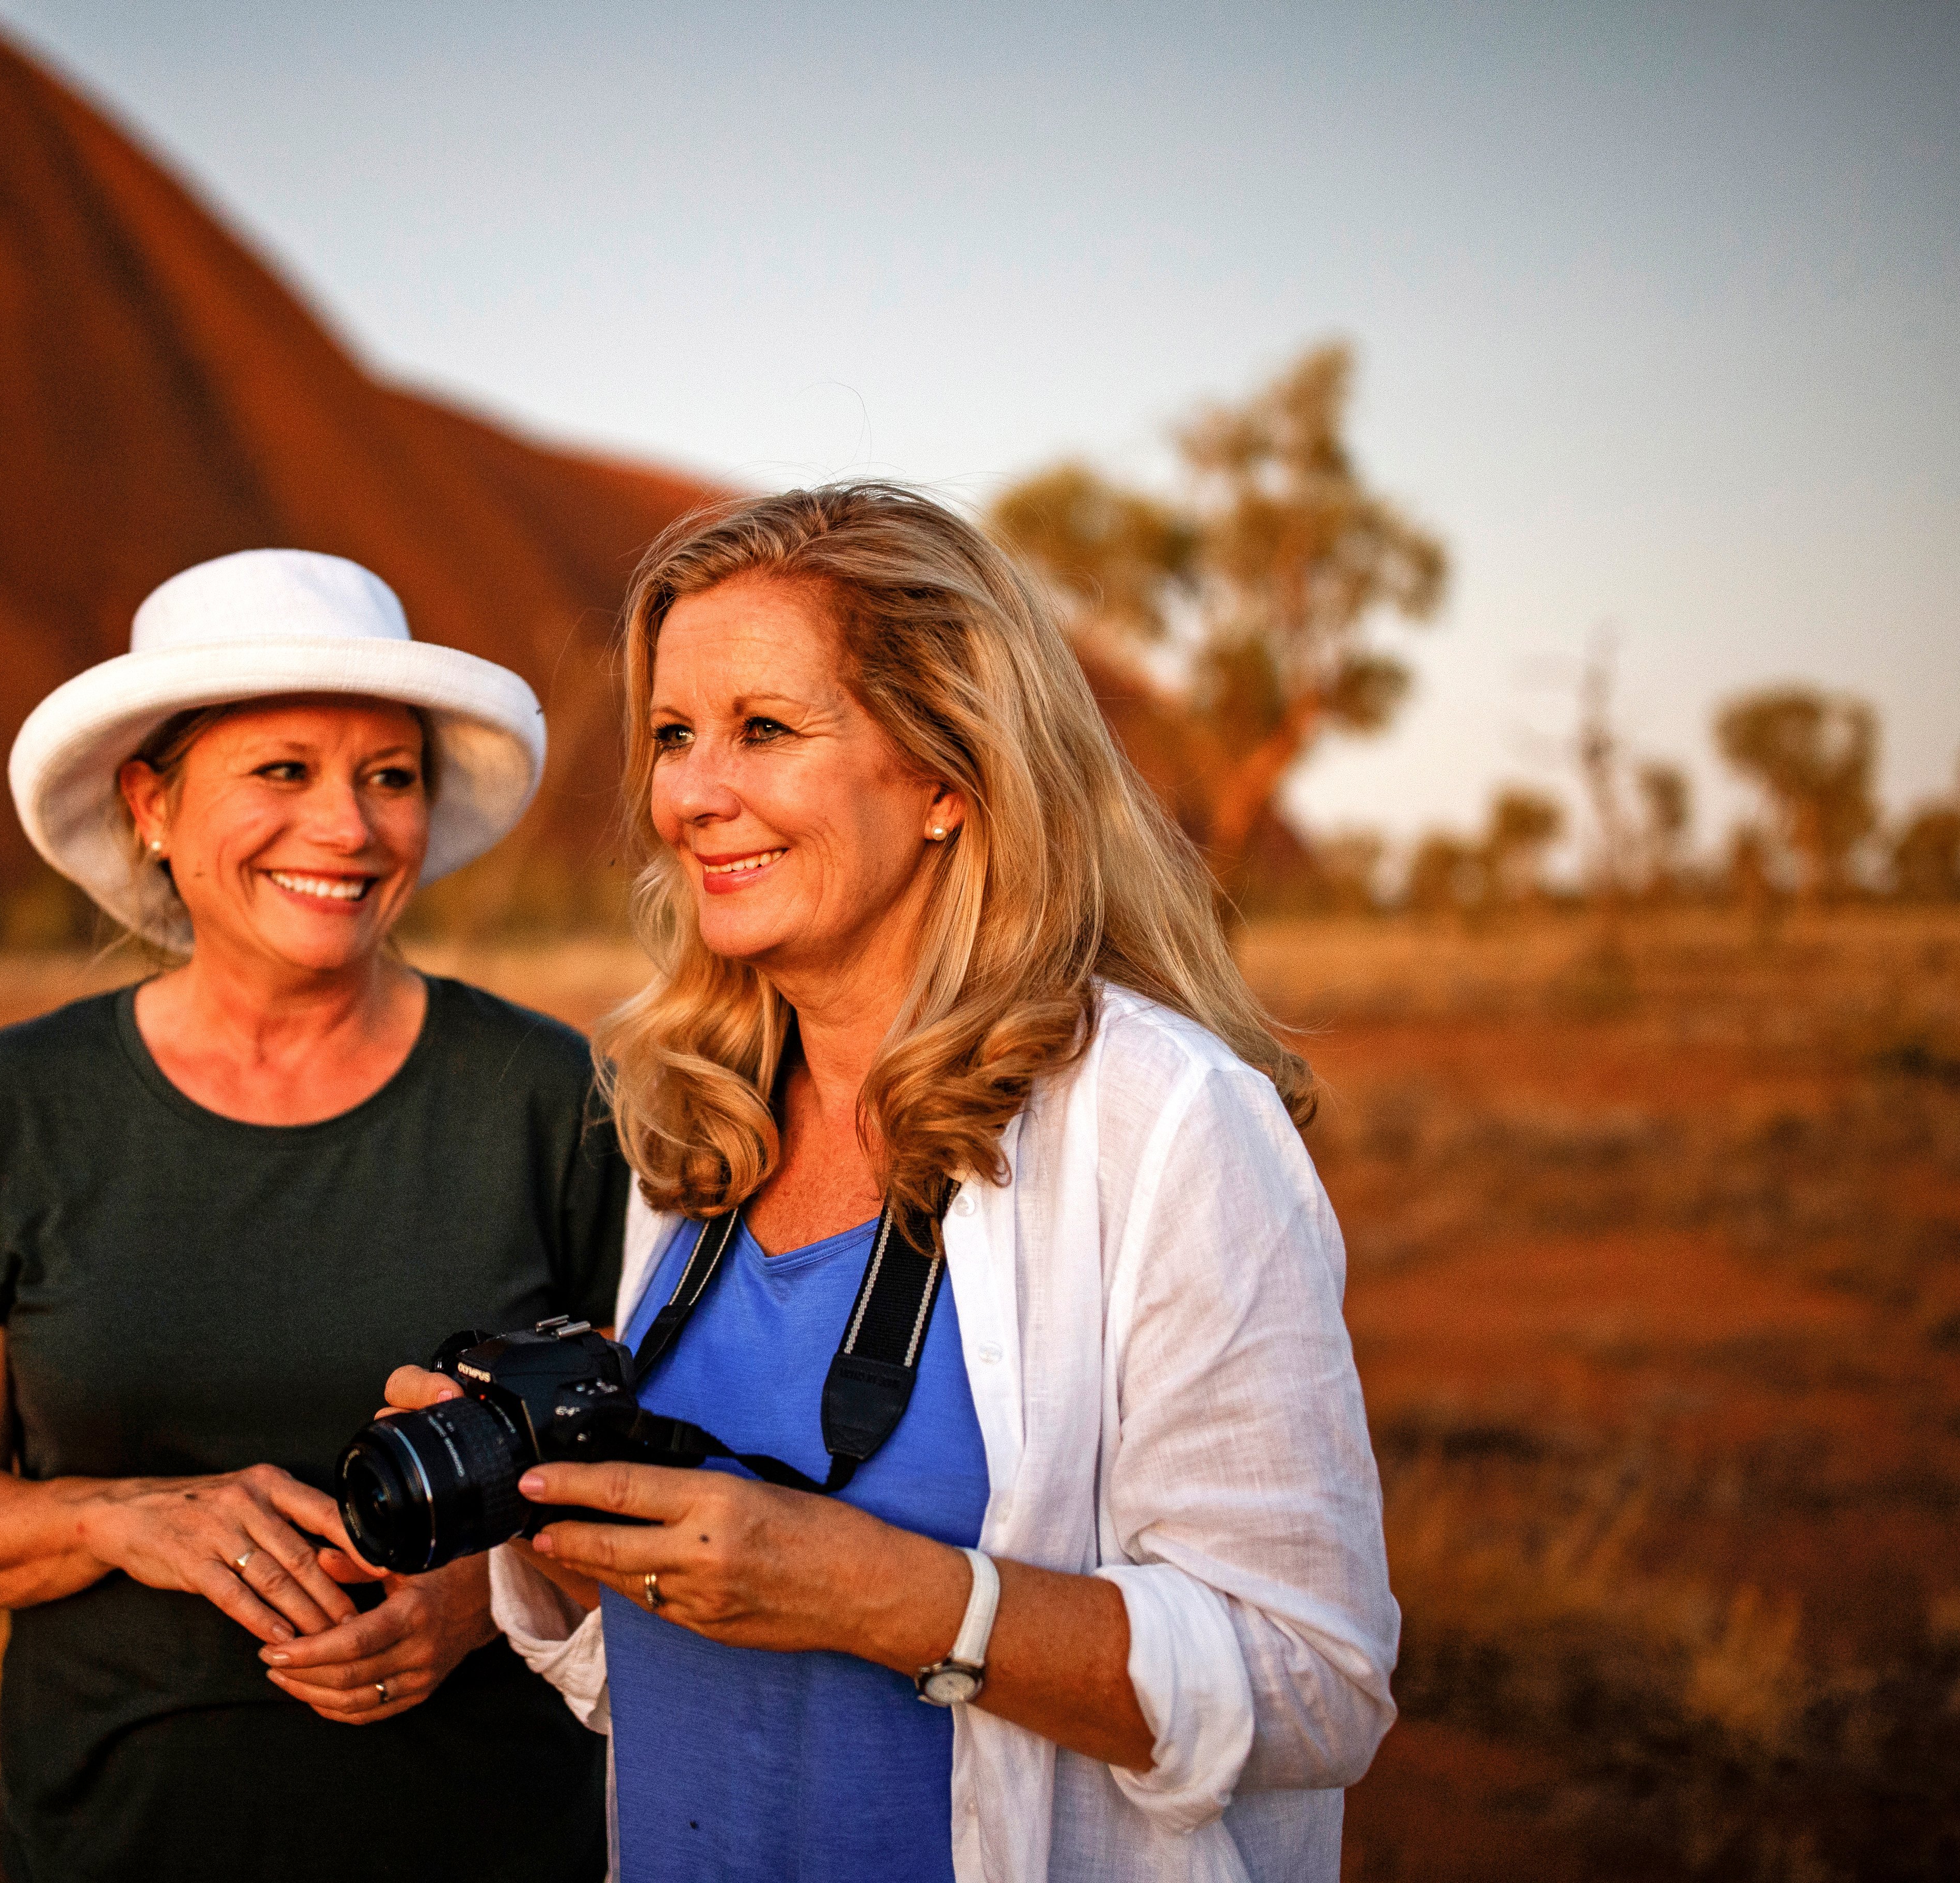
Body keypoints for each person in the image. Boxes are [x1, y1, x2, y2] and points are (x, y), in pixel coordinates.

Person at [384, 485, 1399, 1881]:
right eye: (673, 735)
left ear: (948, 776)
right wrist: (553, 1519)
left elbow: (1311, 1682)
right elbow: (680, 1684)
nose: (690, 794)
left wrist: (881, 1597)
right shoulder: (698, 1124)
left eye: (764, 729)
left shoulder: (1159, 1121)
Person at [0, 549, 626, 1882]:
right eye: (284, 771)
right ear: (151, 806)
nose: (347, 828)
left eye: (388, 778)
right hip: (119, 1840)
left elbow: (658, 1458)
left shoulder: (544, 1093)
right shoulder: (6, 1110)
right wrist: (118, 1518)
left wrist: (491, 1599)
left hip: (487, 1838)